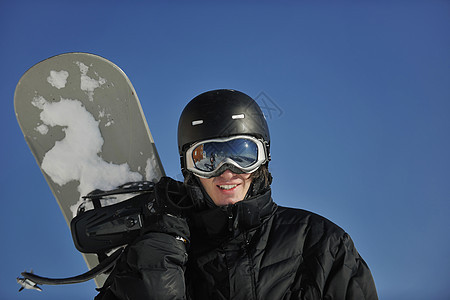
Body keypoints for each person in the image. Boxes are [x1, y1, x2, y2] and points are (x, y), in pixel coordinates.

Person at [95, 89, 378, 299]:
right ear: (188, 169)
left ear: (263, 159)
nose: (226, 172)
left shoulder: (322, 243)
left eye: (242, 155)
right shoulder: (168, 249)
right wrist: (153, 266)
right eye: (207, 158)